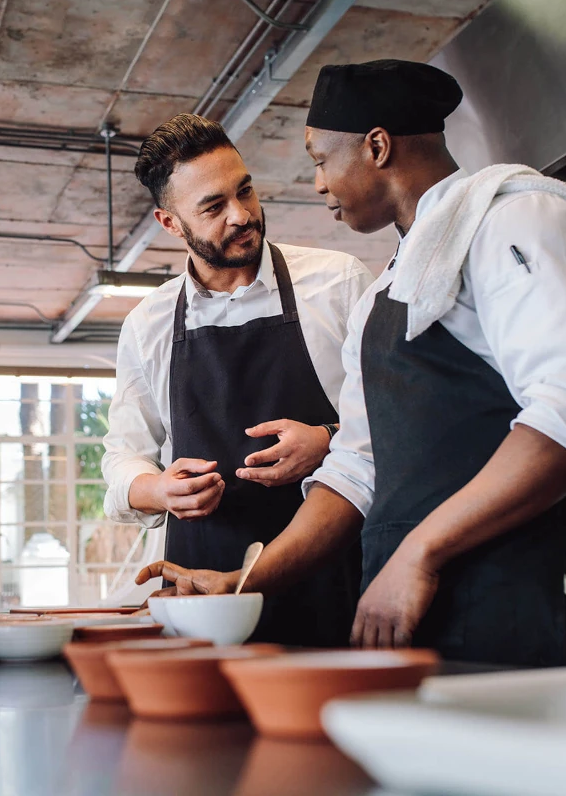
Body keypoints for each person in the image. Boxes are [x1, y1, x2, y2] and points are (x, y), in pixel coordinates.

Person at [136, 61, 566, 667]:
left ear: (377, 147)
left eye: (321, 160)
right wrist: (244, 583)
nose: (318, 184)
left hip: (531, 590)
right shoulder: (386, 291)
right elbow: (357, 468)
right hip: (417, 603)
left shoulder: (518, 219)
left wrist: (420, 552)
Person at [102, 113, 374, 646]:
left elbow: (392, 424)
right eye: (213, 207)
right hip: (203, 599)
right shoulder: (149, 324)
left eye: (245, 191)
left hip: (334, 581)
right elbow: (121, 455)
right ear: (170, 223)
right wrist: (157, 488)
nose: (242, 215)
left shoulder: (337, 283)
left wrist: (327, 440)